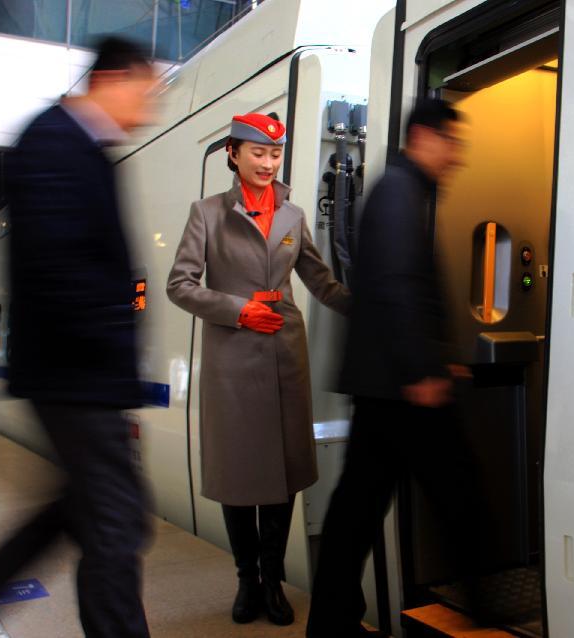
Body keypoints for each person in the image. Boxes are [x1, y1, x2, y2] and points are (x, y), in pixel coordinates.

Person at [0, 36, 158, 638]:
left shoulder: (79, 148)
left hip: (80, 374)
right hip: (74, 374)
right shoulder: (54, 143)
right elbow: (61, 271)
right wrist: (111, 351)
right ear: (113, 80)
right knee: (116, 523)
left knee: (77, 515)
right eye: (145, 93)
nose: (148, 110)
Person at [306, 98, 487, 638]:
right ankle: (482, 612)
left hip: (386, 385)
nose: (456, 157)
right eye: (452, 144)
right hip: (402, 386)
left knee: (358, 508)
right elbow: (396, 288)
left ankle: (332, 621)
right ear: (425, 138)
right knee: (459, 496)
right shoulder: (399, 195)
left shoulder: (400, 191)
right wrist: (423, 370)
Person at [166, 112, 350, 626]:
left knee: (284, 470)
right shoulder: (207, 213)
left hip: (285, 352)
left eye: (275, 154)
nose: (268, 163)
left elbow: (320, 282)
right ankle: (246, 580)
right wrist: (238, 310)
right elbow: (179, 285)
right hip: (232, 357)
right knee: (238, 471)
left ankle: (273, 581)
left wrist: (370, 308)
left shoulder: (292, 215)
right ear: (234, 153)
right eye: (258, 153)